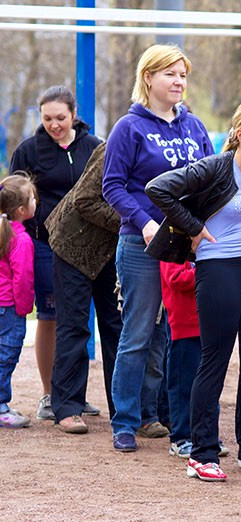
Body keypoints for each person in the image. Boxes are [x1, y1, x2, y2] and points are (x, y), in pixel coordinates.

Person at [145, 98, 241, 482]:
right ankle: (201, 452)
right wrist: (192, 228)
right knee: (215, 359)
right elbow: (158, 189)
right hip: (218, 267)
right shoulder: (216, 167)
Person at [102, 44, 214, 453]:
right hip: (140, 242)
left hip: (187, 244)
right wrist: (147, 223)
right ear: (148, 77)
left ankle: (154, 414)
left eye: (183, 74)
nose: (179, 81)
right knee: (138, 332)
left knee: (170, 335)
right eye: (170, 73)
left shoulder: (196, 127)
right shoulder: (128, 128)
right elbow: (111, 185)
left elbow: (210, 180)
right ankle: (125, 421)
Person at [9, 85, 104, 422]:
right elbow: (13, 197)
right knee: (51, 318)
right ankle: (51, 394)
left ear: (74, 115)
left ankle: (75, 394)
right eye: (47, 118)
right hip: (45, 246)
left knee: (80, 320)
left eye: (60, 118)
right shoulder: (29, 151)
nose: (54, 124)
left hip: (91, 248)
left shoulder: (94, 148)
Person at [44, 142, 122, 434]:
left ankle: (123, 409)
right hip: (74, 245)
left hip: (114, 250)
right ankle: (66, 406)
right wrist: (134, 219)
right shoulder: (116, 146)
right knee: (75, 325)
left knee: (117, 327)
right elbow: (85, 200)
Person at [0, 174, 37, 428]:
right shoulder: (20, 240)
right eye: (34, 198)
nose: (37, 201)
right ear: (22, 210)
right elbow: (22, 278)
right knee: (6, 355)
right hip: (10, 308)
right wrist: (24, 308)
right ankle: (1, 406)